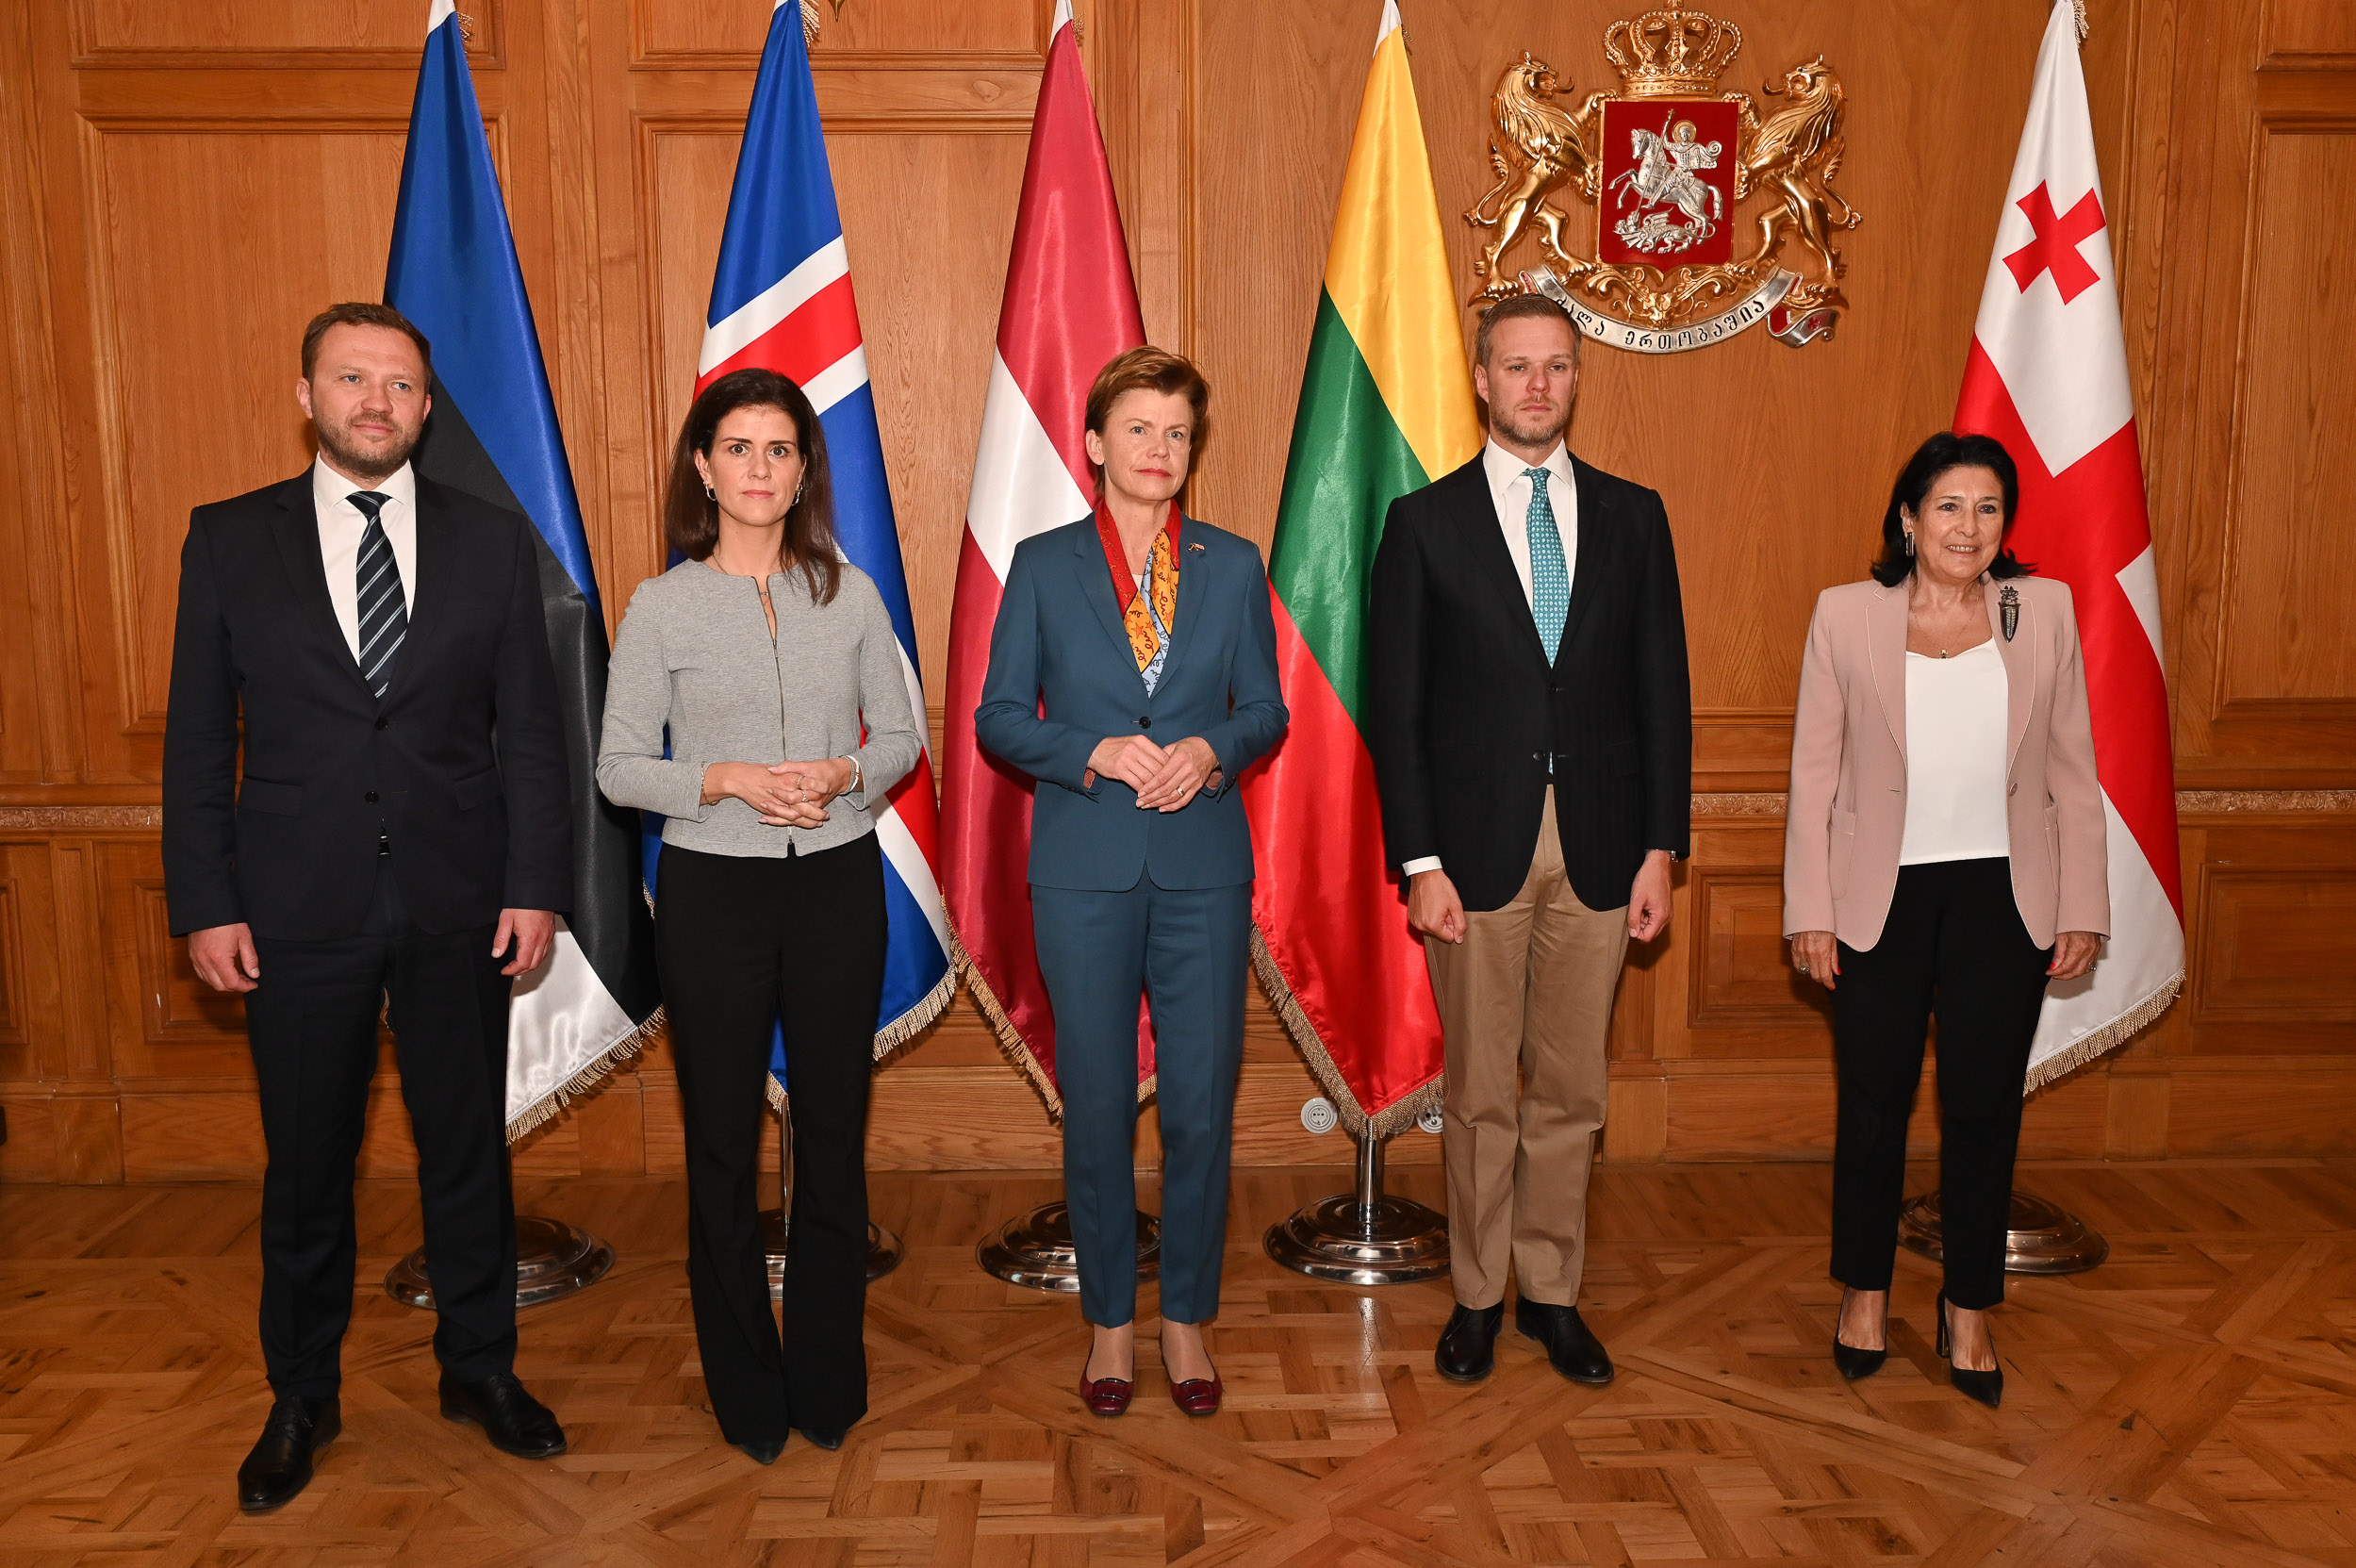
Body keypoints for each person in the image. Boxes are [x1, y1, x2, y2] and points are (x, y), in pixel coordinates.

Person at [163, 303, 573, 1512]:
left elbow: (533, 740)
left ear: (427, 407)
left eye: (399, 383)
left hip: (461, 902)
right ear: (308, 396)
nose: (376, 401)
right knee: (306, 1169)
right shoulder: (230, 540)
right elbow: (197, 740)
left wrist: (536, 884)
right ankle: (301, 1396)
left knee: (466, 1157)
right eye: (353, 378)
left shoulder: (493, 542)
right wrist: (206, 900)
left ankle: (481, 1370)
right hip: (293, 908)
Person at [1369, 292, 1691, 1389]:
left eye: (1557, 366)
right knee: (1480, 1090)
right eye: (1518, 366)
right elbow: (1396, 708)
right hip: (1471, 856)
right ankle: (1474, 1296)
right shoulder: (1424, 523)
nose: (1538, 385)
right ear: (1481, 378)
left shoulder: (1636, 516)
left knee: (1572, 1089)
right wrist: (1419, 861)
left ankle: (1550, 1291)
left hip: (1604, 848)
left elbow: (1664, 696)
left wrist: (1662, 849)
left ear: (1576, 379)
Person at [596, 368, 918, 1462]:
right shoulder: (659, 604)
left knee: (832, 1135)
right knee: (724, 1142)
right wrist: (726, 778)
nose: (760, 470)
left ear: (803, 470)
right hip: (713, 893)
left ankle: (827, 1373)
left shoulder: (854, 593)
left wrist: (841, 772)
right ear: (703, 465)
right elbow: (621, 765)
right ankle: (743, 1379)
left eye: (780, 451)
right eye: (740, 448)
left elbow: (903, 739)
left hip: (834, 883)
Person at [974, 347, 1287, 1420]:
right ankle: (1112, 1322)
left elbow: (1267, 711)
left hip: (1202, 866)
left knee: (1201, 1110)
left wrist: (1212, 751)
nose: (1160, 451)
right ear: (1097, 444)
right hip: (1085, 872)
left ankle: (1188, 1319)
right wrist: (1097, 752)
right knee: (1098, 1108)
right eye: (1141, 430)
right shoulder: (1044, 562)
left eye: (1179, 433)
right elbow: (999, 717)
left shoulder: (1235, 563)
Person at [1783, 431, 2105, 1409]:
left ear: (2007, 525)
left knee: (1981, 1108)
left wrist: (2083, 900)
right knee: (1873, 1104)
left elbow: (2071, 769)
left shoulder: (2040, 610)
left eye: (1989, 509)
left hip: (2004, 898)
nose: (1970, 527)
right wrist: (1810, 907)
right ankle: (1866, 1295)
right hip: (1878, 897)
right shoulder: (1847, 616)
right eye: (1951, 507)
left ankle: (1969, 1305)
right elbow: (1813, 775)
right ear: (1909, 518)